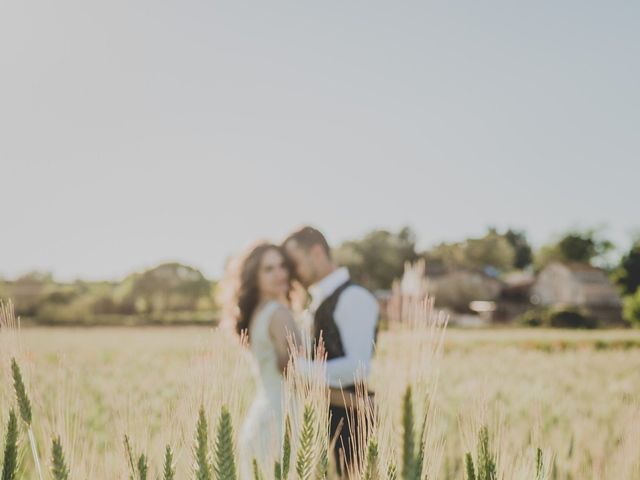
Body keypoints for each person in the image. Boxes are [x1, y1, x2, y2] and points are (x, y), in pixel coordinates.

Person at [283, 226, 379, 475]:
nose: (292, 274)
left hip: (351, 426)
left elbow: (358, 367)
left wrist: (295, 368)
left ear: (316, 252)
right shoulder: (317, 301)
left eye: (295, 264)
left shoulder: (353, 297)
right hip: (320, 422)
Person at [221, 242, 302, 478]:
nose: (280, 274)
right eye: (268, 269)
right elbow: (303, 377)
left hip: (262, 419)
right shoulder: (278, 314)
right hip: (284, 423)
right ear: (253, 277)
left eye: (282, 266)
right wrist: (353, 401)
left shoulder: (257, 313)